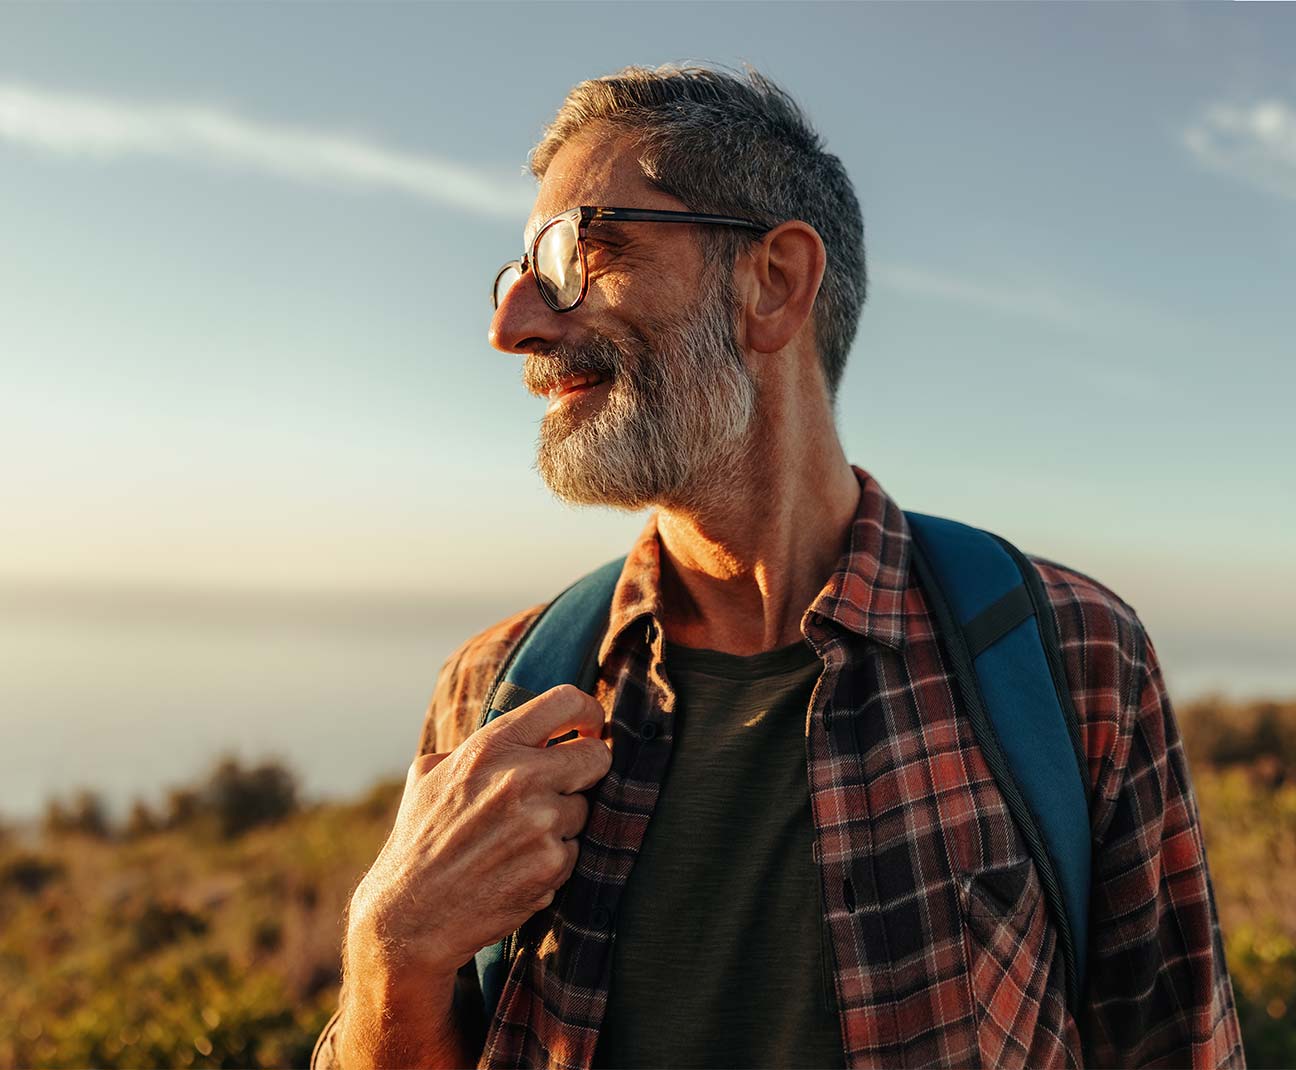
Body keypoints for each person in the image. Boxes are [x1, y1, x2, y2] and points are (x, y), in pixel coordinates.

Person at [313, 64, 1243, 1070]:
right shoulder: (495, 691)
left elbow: (1179, 1044)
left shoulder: (1070, 657)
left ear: (775, 282)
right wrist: (387, 957)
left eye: (573, 252)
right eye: (516, 273)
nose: (515, 326)